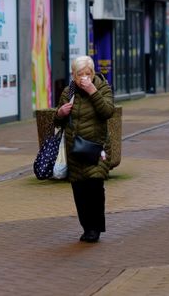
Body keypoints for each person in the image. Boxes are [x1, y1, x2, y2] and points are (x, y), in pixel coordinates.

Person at [54, 55, 114, 243]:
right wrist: (60, 113)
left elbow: (108, 112)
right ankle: (87, 227)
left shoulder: (102, 87)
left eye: (87, 74)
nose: (83, 78)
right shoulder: (68, 92)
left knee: (95, 187)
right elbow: (57, 121)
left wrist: (93, 91)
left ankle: (95, 228)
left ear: (93, 73)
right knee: (80, 192)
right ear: (73, 75)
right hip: (75, 151)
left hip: (96, 149)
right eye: (79, 74)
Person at [31, 0, 50, 110]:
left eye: (42, 4)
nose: (39, 8)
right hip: (39, 111)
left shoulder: (46, 47)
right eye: (37, 3)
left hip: (46, 110)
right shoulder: (31, 51)